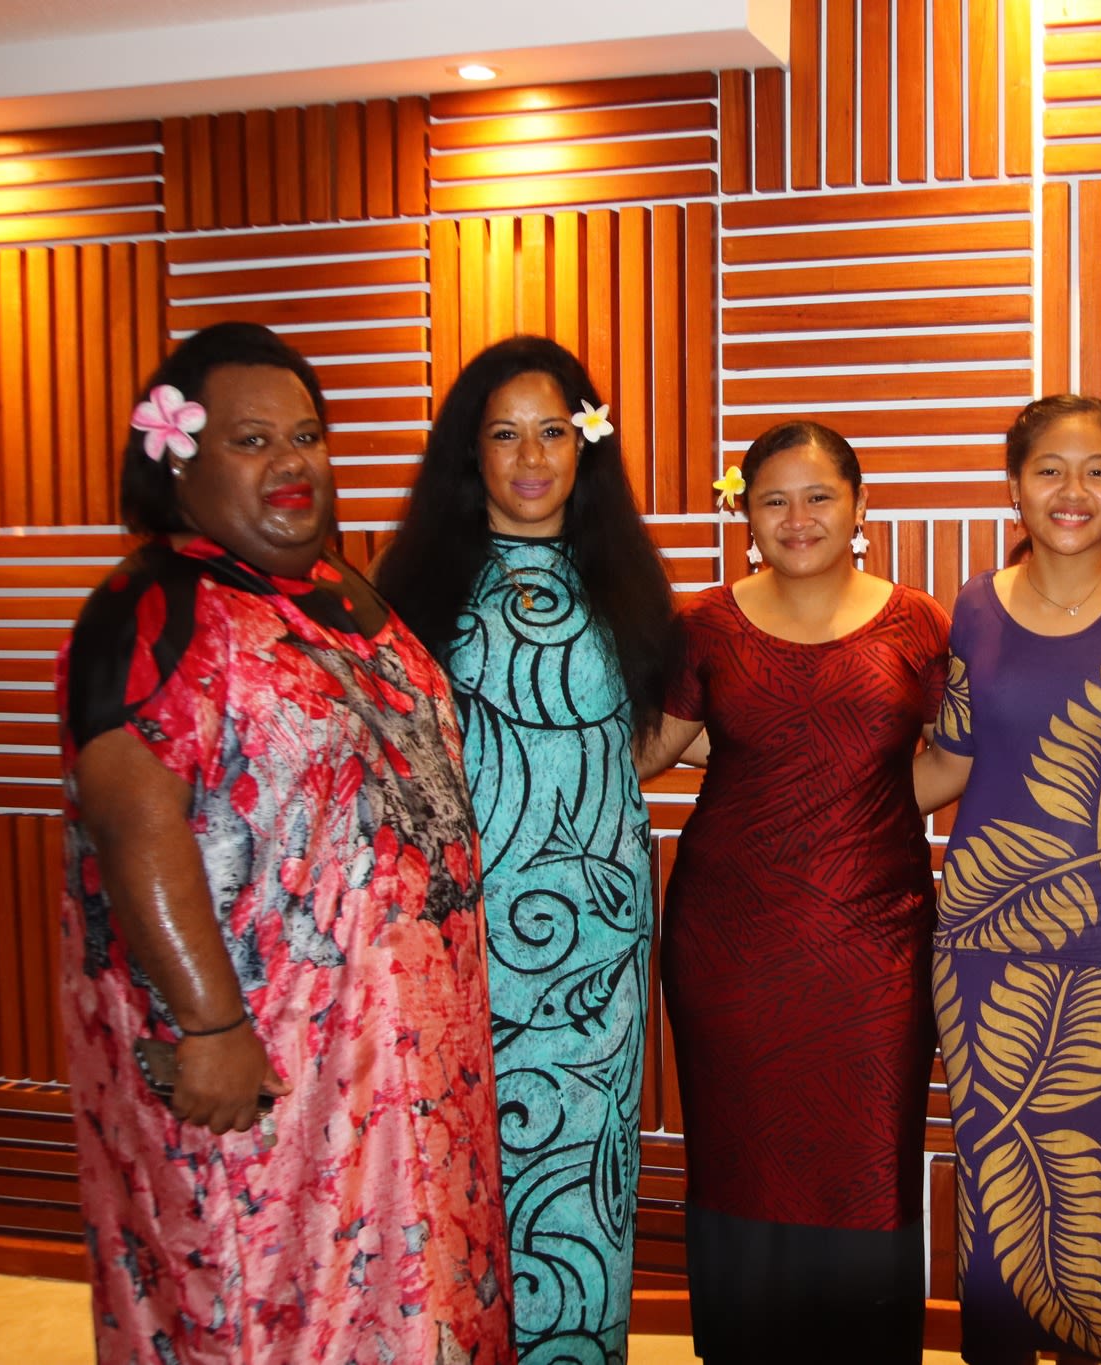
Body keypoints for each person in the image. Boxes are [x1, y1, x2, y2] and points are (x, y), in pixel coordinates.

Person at [57, 322, 512, 1365]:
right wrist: (210, 1023)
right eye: (252, 442)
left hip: (402, 1068)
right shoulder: (157, 605)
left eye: (306, 435)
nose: (293, 463)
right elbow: (134, 821)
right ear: (177, 457)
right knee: (260, 1308)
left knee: (416, 1299)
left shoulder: (348, 595)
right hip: (261, 1071)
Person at [375, 335, 678, 1363]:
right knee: (468, 1183)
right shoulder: (413, 592)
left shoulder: (622, 585)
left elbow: (631, 750)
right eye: (503, 434)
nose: (532, 455)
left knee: (586, 1180)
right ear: (471, 454)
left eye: (554, 429)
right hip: (468, 948)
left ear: (585, 446)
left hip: (599, 959)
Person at [636, 421, 949, 1364]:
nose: (798, 516)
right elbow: (646, 752)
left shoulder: (919, 623)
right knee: (739, 1157)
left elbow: (954, 762)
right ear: (746, 513)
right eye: (774, 498)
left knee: (868, 1160)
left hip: (874, 941)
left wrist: (842, 790)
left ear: (860, 507)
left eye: (820, 496)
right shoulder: (705, 624)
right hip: (731, 941)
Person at [914, 394, 1101, 1365]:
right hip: (983, 940)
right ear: (1014, 485)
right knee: (997, 1186)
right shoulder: (973, 605)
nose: (1070, 490)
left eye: (1095, 470)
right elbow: (947, 765)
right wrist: (772, 756)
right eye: (1047, 469)